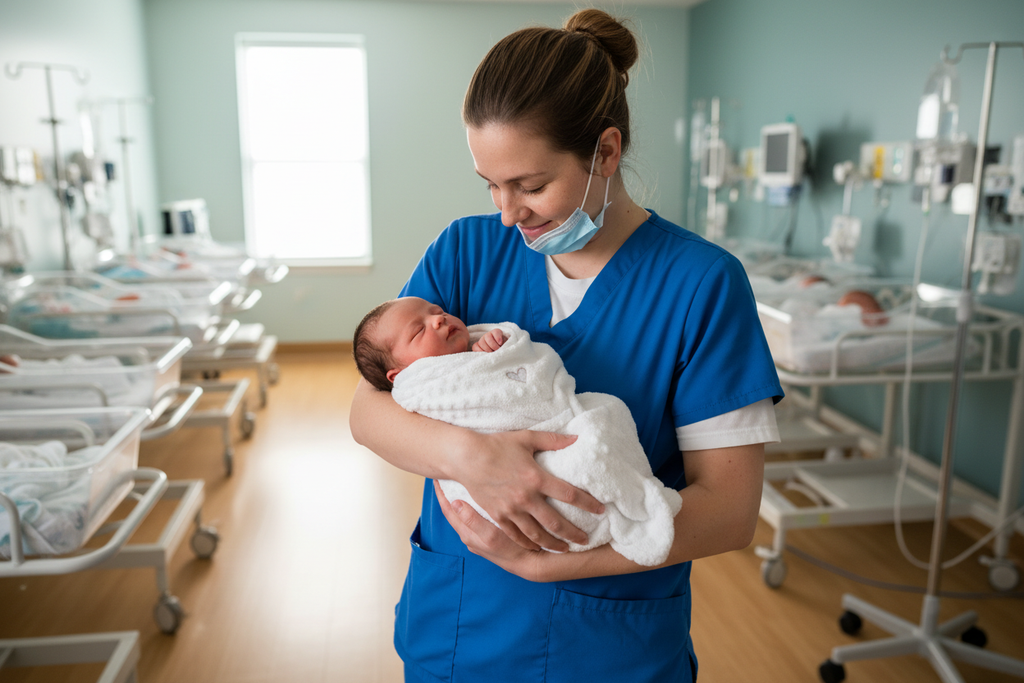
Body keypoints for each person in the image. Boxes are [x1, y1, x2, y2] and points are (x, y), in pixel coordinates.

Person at [349, 8, 784, 682]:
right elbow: (368, 409)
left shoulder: (700, 284)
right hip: (459, 621)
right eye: (491, 184)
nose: (507, 213)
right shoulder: (465, 252)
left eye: (530, 185)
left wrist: (547, 562)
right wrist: (473, 456)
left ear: (605, 152)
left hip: (608, 640)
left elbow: (729, 511)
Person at [353, 296, 684, 567]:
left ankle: (629, 497)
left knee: (605, 411)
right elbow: (370, 415)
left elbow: (521, 369)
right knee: (588, 453)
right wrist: (470, 452)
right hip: (494, 504)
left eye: (437, 311)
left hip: (553, 427)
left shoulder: (477, 346)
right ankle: (628, 505)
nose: (438, 319)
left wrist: (493, 352)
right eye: (418, 331)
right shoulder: (421, 389)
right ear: (399, 375)